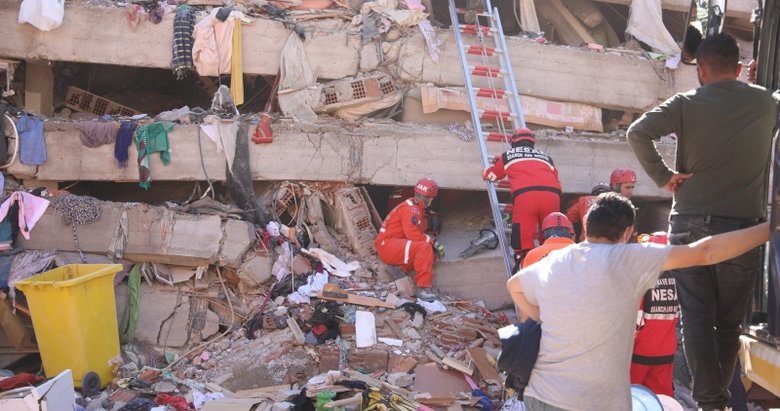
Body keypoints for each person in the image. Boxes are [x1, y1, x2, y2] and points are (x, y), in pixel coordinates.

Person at [626, 33, 780, 410]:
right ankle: (714, 400)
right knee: (728, 324)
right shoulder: (766, 102)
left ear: (701, 70)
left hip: (688, 225)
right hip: (742, 231)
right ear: (739, 67)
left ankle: (710, 401)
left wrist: (664, 176)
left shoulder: (686, 102)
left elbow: (637, 132)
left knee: (695, 318)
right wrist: (757, 87)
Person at [506, 193, 769, 411]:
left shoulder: (557, 260)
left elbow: (514, 286)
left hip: (539, 395)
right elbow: (705, 252)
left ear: (585, 223)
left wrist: (543, 318)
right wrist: (770, 228)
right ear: (628, 231)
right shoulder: (629, 259)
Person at [482, 127, 561, 260]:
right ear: (532, 142)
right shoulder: (547, 157)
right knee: (551, 233)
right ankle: (550, 260)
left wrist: (485, 172)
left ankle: (525, 262)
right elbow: (555, 176)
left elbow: (493, 176)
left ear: (514, 142)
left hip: (526, 196)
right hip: (552, 195)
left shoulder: (508, 155)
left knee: (522, 239)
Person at [375, 177, 444, 300]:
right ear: (428, 198)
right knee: (424, 248)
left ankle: (399, 269)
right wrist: (431, 241)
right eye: (431, 198)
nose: (431, 201)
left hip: (392, 245)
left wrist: (430, 242)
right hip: (387, 245)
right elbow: (413, 234)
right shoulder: (411, 209)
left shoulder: (414, 207)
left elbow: (416, 234)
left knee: (430, 253)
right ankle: (423, 288)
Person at [631, 231, 678, 397]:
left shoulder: (643, 277)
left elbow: (635, 318)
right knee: (662, 400)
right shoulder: (678, 279)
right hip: (666, 351)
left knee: (633, 398)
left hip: (641, 351)